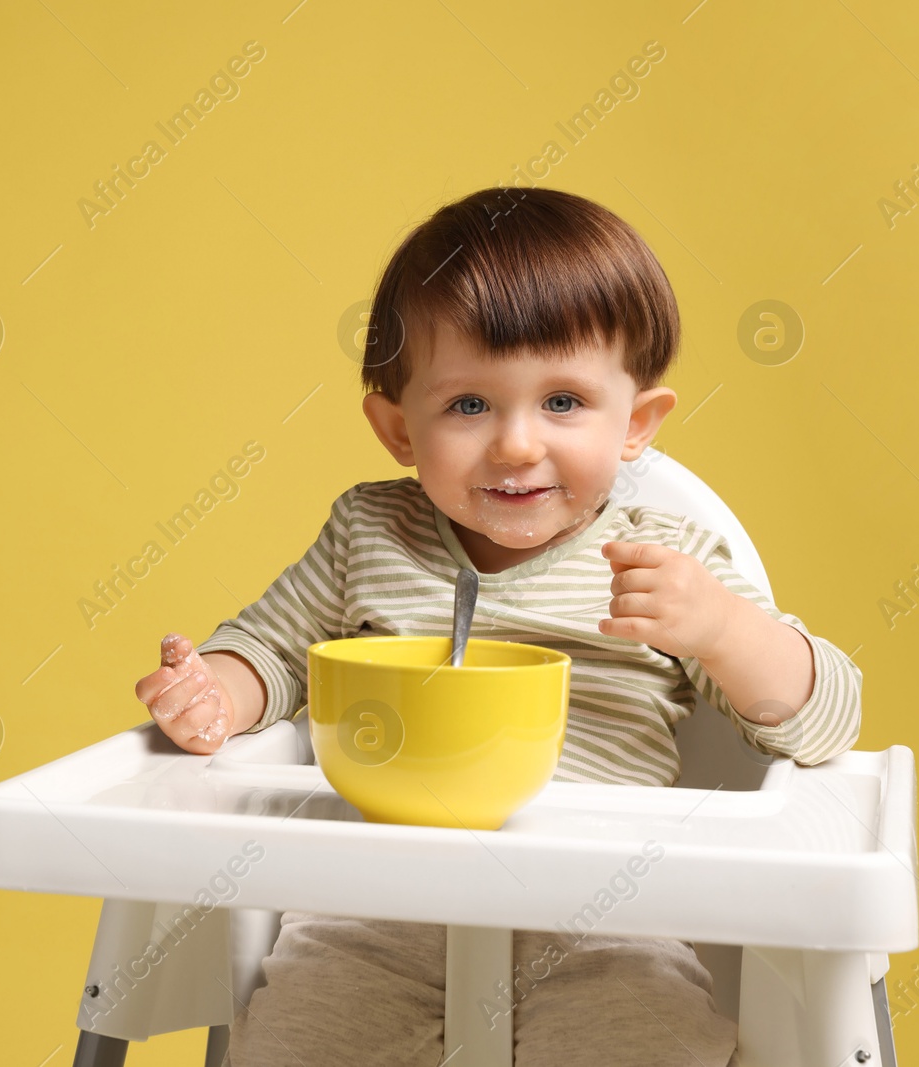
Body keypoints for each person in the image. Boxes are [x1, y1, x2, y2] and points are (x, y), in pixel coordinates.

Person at [131, 186, 862, 1067]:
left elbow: (824, 721)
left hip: (607, 917)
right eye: (470, 406)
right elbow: (274, 651)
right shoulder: (371, 533)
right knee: (294, 1037)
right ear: (398, 426)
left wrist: (720, 627)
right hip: (374, 912)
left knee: (653, 1042)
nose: (517, 443)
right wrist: (211, 688)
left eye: (563, 402)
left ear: (636, 424)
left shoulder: (666, 554)